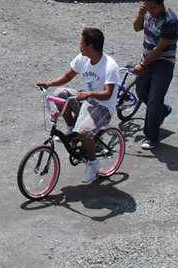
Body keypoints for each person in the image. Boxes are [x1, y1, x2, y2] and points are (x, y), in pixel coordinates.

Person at [33, 27, 120, 183]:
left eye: (81, 42)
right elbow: (68, 75)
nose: (79, 45)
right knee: (60, 94)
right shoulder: (83, 58)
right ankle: (72, 127)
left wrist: (89, 94)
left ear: (90, 46)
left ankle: (93, 163)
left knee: (84, 131)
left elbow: (108, 93)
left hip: (103, 107)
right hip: (86, 101)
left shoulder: (110, 66)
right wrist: (48, 84)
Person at [132, 0, 178, 151]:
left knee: (153, 100)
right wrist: (140, 15)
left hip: (162, 63)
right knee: (141, 92)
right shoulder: (149, 15)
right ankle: (162, 110)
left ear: (161, 5)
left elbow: (159, 49)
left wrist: (143, 64)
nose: (151, 11)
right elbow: (137, 28)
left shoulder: (170, 21)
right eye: (148, 7)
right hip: (147, 60)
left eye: (153, 8)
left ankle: (151, 136)